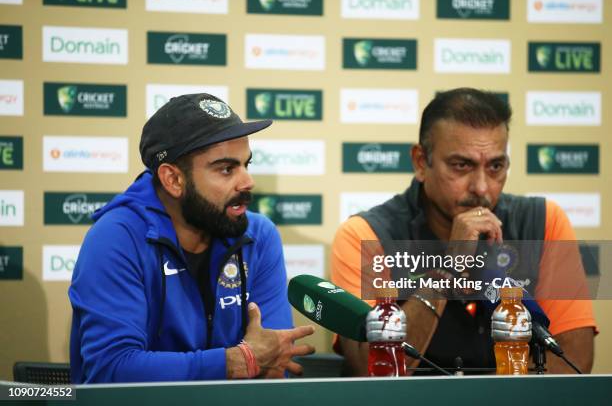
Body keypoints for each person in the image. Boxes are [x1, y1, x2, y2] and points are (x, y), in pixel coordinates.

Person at [331, 88, 596, 375]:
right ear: (421, 162)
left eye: (496, 166)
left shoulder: (544, 221)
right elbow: (370, 368)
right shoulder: (366, 234)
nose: (482, 188)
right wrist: (450, 268)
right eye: (461, 165)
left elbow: (574, 363)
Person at [69, 93, 315, 383]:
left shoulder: (258, 236)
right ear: (173, 180)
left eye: (246, 164)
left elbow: (275, 361)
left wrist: (257, 360)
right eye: (226, 169)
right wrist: (236, 361)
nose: (248, 181)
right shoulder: (116, 237)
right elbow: (111, 370)